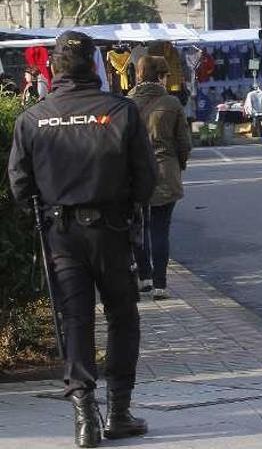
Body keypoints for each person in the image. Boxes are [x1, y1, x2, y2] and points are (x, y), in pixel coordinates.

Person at [7, 31, 156, 447]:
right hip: (111, 229)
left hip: (61, 233)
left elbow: (20, 187)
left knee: (74, 320)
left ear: (52, 68)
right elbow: (147, 182)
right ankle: (119, 411)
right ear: (94, 67)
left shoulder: (33, 119)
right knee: (123, 317)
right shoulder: (121, 112)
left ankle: (84, 415)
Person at [130, 56, 192, 301]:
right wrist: (179, 165)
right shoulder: (172, 103)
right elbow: (184, 143)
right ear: (160, 76)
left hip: (134, 173)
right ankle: (160, 284)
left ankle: (143, 276)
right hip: (165, 169)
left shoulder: (126, 104)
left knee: (137, 227)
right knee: (160, 229)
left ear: (138, 75)